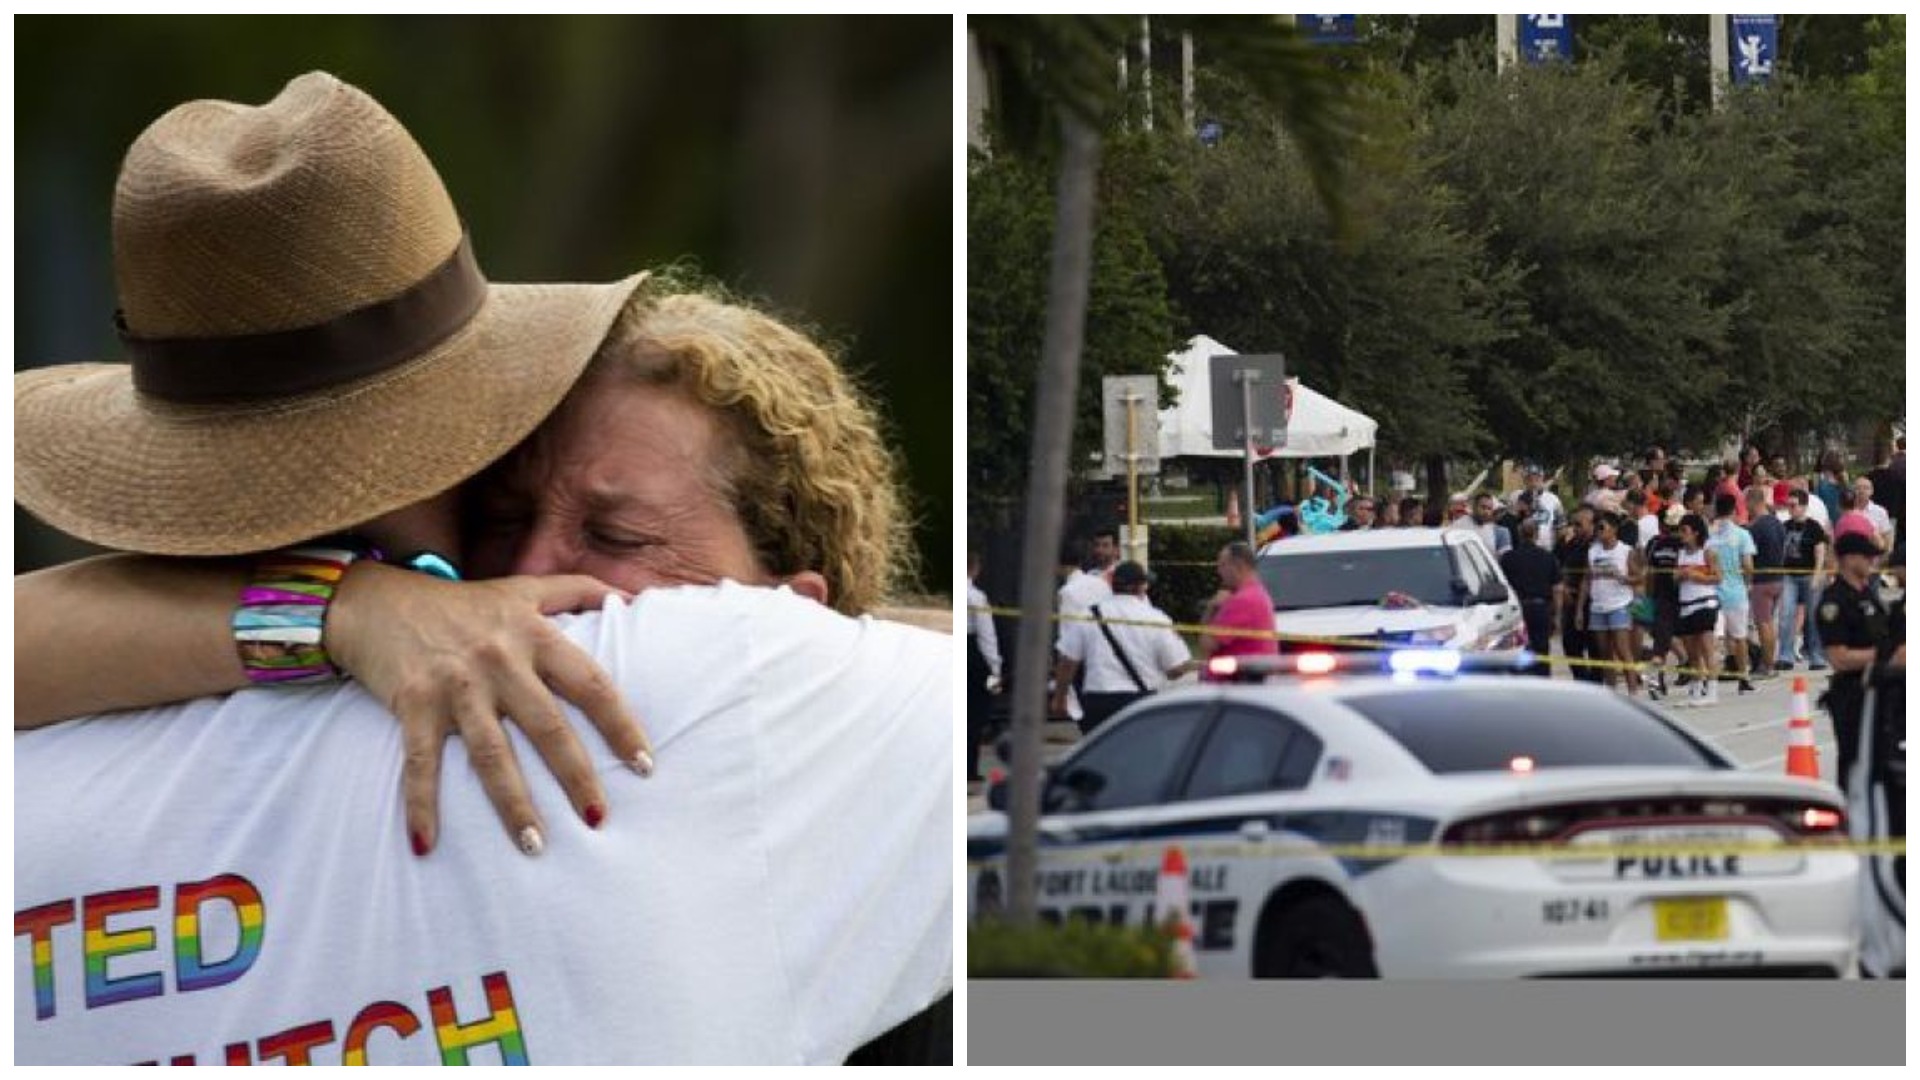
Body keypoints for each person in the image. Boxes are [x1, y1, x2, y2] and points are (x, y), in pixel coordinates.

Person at [13, 74, 949, 1063]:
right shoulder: (715, 692)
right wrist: (348, 612)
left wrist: (338, 612)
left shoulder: (46, 755)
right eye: (506, 513)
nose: (534, 570)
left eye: (618, 536)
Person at [1050, 561, 1196, 735]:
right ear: (1141, 587)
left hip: (1097, 700)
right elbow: (1175, 670)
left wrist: (1060, 699)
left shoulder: (1088, 615)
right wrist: (1191, 663)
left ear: (1112, 585)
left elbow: (1068, 660)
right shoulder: (1156, 619)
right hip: (1139, 703)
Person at [1577, 511, 1643, 696]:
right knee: (1604, 653)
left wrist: (1623, 578)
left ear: (1613, 529)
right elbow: (1586, 579)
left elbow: (1639, 577)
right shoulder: (1593, 551)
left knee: (1623, 650)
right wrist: (1580, 610)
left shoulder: (1625, 551)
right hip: (1598, 605)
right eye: (1597, 527)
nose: (1599, 531)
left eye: (1602, 527)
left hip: (1619, 604)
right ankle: (1611, 692)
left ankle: (1633, 692)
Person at [1707, 492, 1758, 695]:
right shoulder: (1742, 534)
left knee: (1714, 639)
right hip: (1736, 592)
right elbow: (1748, 565)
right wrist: (1748, 583)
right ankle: (1743, 676)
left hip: (1713, 592)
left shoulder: (1711, 536)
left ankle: (1710, 678)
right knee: (1740, 637)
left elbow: (1707, 562)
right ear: (1734, 509)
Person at [1776, 489, 1832, 672]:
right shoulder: (1785, 527)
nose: (1790, 509)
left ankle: (1816, 655)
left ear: (1803, 506)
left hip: (1809, 575)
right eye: (1788, 505)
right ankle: (1785, 655)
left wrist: (1817, 575)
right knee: (1786, 615)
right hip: (1789, 575)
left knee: (1813, 617)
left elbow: (1820, 553)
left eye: (1793, 505)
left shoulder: (1814, 527)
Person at [1199, 542, 1279, 670]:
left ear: (1239, 566)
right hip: (1251, 678)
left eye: (1222, 565)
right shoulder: (1258, 593)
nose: (1219, 571)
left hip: (1236, 682)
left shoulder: (1241, 601)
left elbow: (1207, 645)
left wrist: (1211, 609)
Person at [1672, 513, 1723, 708]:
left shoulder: (1708, 552)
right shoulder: (1681, 553)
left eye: (1685, 531)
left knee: (1707, 647)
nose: (1682, 535)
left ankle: (1712, 690)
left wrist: (1695, 575)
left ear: (1696, 533)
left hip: (1705, 602)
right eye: (1680, 531)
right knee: (1691, 651)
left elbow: (1718, 578)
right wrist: (1679, 576)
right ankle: (1695, 689)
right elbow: (1674, 578)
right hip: (1686, 603)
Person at [1499, 518, 1560, 678]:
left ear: (1519, 533)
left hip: (1516, 610)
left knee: (1517, 648)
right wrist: (1556, 614)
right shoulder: (1548, 557)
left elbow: (1502, 586)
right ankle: (1541, 685)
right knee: (1541, 651)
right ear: (1537, 534)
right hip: (1540, 609)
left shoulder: (1508, 558)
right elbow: (1557, 588)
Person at [1642, 505, 1688, 700]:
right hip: (1677, 599)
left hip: (1664, 599)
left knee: (1661, 642)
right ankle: (1661, 679)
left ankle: (1659, 678)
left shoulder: (1656, 544)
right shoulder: (1683, 545)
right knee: (1666, 641)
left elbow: (1649, 575)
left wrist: (1648, 599)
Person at [1554, 505, 1602, 683]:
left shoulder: (1598, 546)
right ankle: (1582, 681)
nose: (1575, 528)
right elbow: (1557, 565)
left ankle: (1596, 684)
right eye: (1573, 524)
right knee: (1571, 645)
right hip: (1570, 600)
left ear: (1592, 524)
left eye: (1579, 524)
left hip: (1593, 602)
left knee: (1596, 647)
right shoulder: (1571, 544)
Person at [966, 550, 1003, 782]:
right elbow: (987, 636)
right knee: (975, 715)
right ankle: (969, 767)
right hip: (973, 656)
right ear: (975, 568)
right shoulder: (976, 597)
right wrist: (995, 671)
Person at [1745, 486, 1786, 680]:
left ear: (1754, 502)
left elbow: (1750, 556)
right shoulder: (1778, 523)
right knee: (1771, 621)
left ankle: (1767, 665)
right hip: (1779, 578)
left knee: (1763, 623)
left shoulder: (1755, 528)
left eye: (1747, 504)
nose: (1746, 508)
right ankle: (1770, 660)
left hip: (1762, 580)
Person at [1852, 476, 1896, 556]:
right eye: (1858, 488)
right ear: (1853, 491)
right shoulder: (1848, 511)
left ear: (1871, 491)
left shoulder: (1880, 512)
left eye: (1866, 488)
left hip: (1874, 555)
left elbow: (1887, 538)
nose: (1862, 491)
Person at [1471, 492, 1512, 557]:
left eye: (1489, 509)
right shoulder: (1463, 527)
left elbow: (1505, 558)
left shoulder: (1501, 532)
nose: (1486, 512)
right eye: (1483, 507)